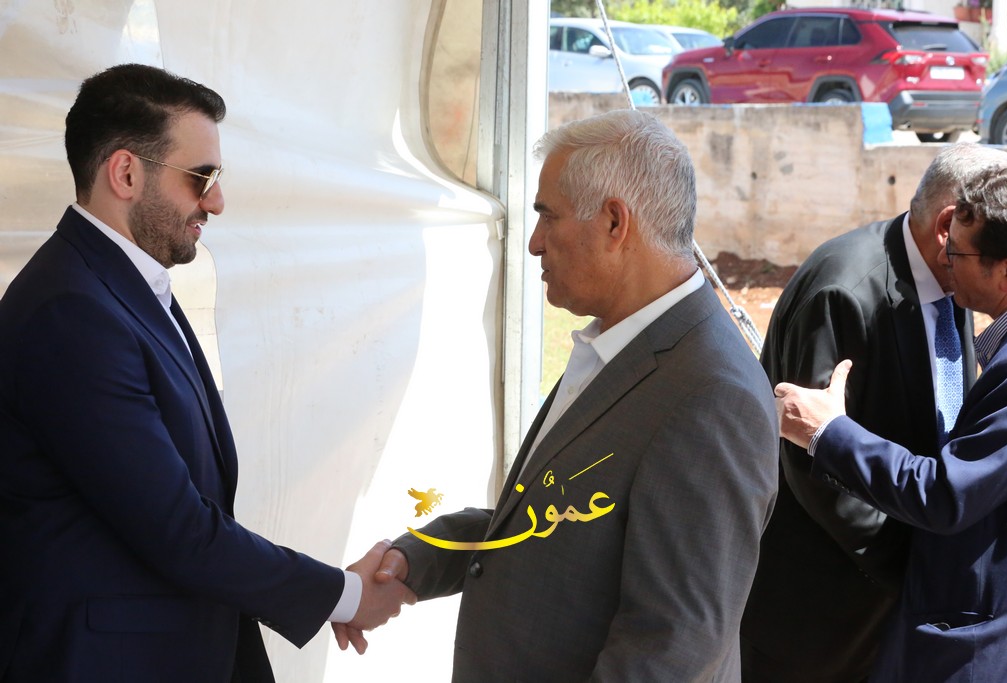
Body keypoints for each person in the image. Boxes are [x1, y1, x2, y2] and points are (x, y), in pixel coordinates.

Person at [0, 63, 412, 683]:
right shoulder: (71, 310)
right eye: (202, 177)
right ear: (126, 173)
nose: (216, 201)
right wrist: (345, 596)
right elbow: (176, 527)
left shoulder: (119, 288)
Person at [351, 109, 779, 681]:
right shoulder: (628, 343)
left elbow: (671, 649)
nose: (534, 243)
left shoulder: (710, 394)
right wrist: (419, 558)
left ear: (614, 222)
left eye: (547, 216)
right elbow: (557, 524)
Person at [740, 144, 1007, 682]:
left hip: (912, 611)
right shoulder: (843, 290)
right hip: (825, 615)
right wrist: (914, 564)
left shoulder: (964, 288)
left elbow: (951, 464)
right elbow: (808, 457)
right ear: (947, 227)